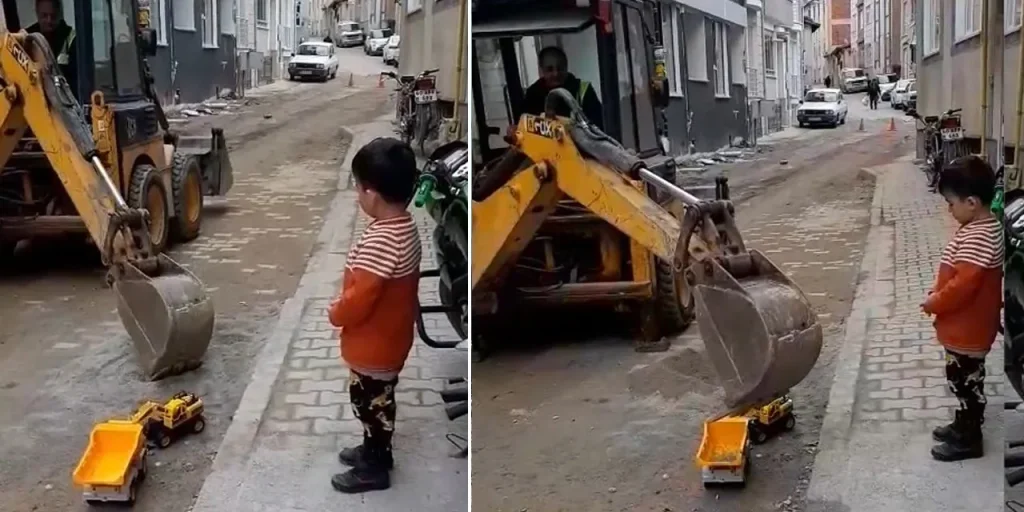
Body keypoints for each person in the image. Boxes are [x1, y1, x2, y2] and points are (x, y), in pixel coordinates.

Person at [327, 137, 422, 493]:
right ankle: (372, 449)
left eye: (358, 189)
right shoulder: (405, 227)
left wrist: (336, 313)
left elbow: (359, 299)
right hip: (389, 339)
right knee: (376, 402)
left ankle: (375, 466)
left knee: (370, 406)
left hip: (374, 344)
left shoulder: (383, 240)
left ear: (371, 193)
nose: (357, 197)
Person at [921, 155, 1003, 462]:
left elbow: (962, 287)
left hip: (967, 328)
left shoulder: (980, 236)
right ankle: (963, 423)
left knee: (965, 383)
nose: (948, 209)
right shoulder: (981, 227)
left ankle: (970, 439)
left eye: (951, 203)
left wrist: (934, 302)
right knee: (966, 381)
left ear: (971, 202)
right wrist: (939, 290)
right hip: (967, 327)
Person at [506, 46, 604, 141]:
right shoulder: (532, 95)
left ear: (566, 67)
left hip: (581, 153)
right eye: (550, 69)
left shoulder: (583, 90)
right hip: (543, 153)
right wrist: (514, 131)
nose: (556, 73)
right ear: (541, 70)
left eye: (560, 68)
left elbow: (599, 128)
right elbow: (522, 128)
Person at [26, 0, 75, 89]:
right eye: (44, 16)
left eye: (53, 16)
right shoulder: (27, 37)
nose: (49, 20)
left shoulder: (70, 38)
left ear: (59, 14)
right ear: (37, 13)